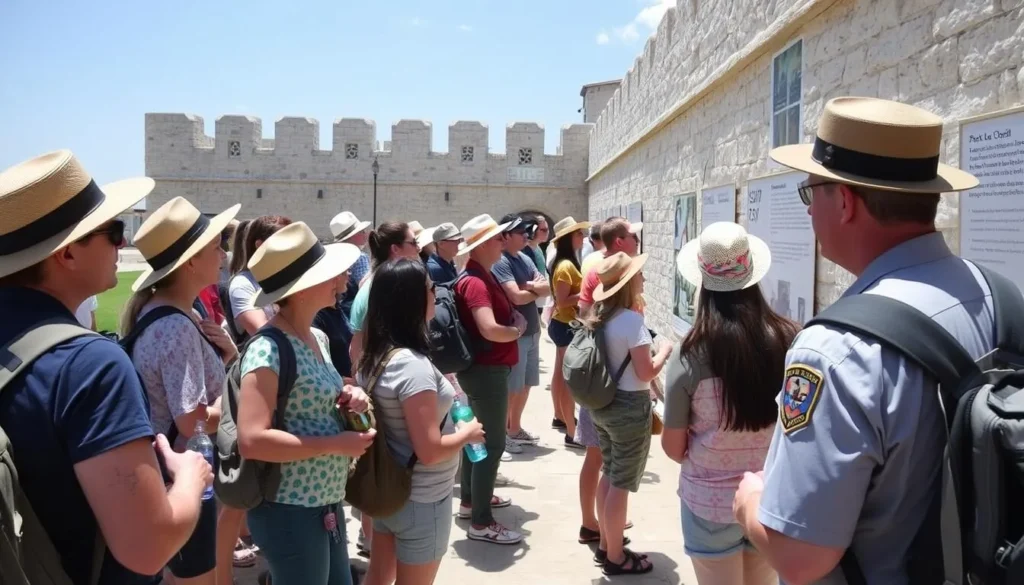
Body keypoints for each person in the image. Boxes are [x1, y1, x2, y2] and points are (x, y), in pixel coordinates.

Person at [731, 97, 992, 584]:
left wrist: (749, 503)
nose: (810, 213)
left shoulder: (833, 350)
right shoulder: (1000, 296)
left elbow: (801, 556)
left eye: (811, 194)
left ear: (845, 202)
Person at [0, 150, 212, 583]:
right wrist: (190, 479)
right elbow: (148, 547)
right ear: (67, 255)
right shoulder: (90, 364)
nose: (123, 244)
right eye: (112, 232)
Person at [236, 221, 372, 585]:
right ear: (300, 288)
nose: (341, 279)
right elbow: (252, 439)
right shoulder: (267, 349)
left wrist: (349, 398)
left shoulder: (317, 336)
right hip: (289, 508)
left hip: (323, 502)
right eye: (329, 274)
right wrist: (335, 444)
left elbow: (314, 401)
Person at [663, 222, 798, 585]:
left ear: (704, 282)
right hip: (769, 497)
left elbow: (674, 448)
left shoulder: (690, 354)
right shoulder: (790, 339)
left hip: (708, 503)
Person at [121, 197, 242, 585]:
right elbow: (191, 418)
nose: (223, 253)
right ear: (190, 261)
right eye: (215, 246)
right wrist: (237, 398)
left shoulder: (166, 312)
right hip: (184, 474)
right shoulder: (176, 325)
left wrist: (226, 358)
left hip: (170, 473)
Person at [359, 258, 486, 585]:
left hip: (390, 492)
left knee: (378, 577)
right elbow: (429, 450)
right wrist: (467, 434)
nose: (436, 294)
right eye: (431, 288)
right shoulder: (412, 366)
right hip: (422, 499)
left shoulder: (377, 354)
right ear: (414, 300)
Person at [586, 252, 671, 575]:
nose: (644, 279)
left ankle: (608, 545)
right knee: (621, 482)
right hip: (629, 407)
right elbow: (646, 371)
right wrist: (663, 351)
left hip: (603, 404)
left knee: (609, 472)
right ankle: (616, 556)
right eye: (639, 275)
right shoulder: (632, 322)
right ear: (627, 284)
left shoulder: (600, 317)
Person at [453, 214, 528, 544]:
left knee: (477, 439)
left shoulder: (478, 276)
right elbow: (489, 328)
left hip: (484, 369)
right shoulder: (476, 282)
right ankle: (481, 522)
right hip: (487, 372)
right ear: (482, 244)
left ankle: (472, 502)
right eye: (498, 238)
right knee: (492, 443)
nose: (503, 241)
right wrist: (516, 331)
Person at [574, 217, 642, 547]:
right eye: (633, 236)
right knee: (599, 459)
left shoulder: (601, 277)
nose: (637, 240)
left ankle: (601, 524)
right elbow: (588, 325)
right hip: (607, 386)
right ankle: (595, 525)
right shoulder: (604, 278)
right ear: (619, 242)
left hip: (602, 384)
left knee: (603, 461)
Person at [490, 214, 549, 456]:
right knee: (512, 388)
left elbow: (547, 286)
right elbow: (515, 296)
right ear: (505, 236)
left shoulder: (525, 257)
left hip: (532, 331)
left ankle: (514, 429)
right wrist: (534, 288)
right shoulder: (501, 262)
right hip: (516, 335)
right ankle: (503, 434)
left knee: (525, 385)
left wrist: (531, 288)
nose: (526, 234)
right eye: (520, 231)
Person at [546, 216, 590, 446]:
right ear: (567, 238)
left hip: (565, 324)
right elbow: (562, 301)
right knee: (567, 381)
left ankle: (565, 421)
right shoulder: (565, 266)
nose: (582, 237)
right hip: (565, 325)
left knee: (562, 377)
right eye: (578, 233)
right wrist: (588, 294)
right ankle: (572, 432)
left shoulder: (567, 263)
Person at [227, 215, 292, 341]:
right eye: (283, 242)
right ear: (260, 245)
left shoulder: (285, 279)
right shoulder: (242, 284)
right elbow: (261, 331)